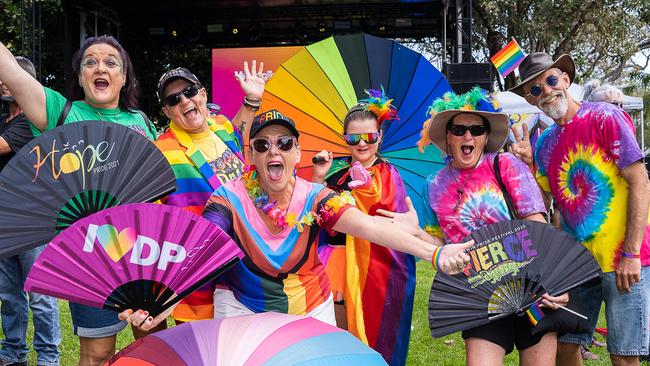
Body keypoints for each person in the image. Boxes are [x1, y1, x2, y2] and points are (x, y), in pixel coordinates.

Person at [121, 109, 472, 332]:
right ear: (250, 156)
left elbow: (369, 227)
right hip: (241, 306)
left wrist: (435, 254)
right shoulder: (228, 197)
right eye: (262, 145)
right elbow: (203, 247)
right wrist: (160, 300)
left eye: (284, 142)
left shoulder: (315, 196)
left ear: (296, 153)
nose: (274, 151)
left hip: (309, 306)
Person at [381, 87, 568, 365]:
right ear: (448, 137)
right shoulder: (434, 186)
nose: (468, 136)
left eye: (476, 129)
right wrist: (417, 233)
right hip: (481, 296)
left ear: (485, 136)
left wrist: (554, 281)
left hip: (531, 289)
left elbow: (537, 227)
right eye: (459, 129)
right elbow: (445, 250)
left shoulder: (505, 165)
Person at [0, 35, 155, 366]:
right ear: (81, 76)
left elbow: (159, 188)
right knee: (97, 355)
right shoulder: (60, 111)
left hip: (143, 251)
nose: (100, 67)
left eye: (111, 62)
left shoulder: (141, 122)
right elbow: (10, 71)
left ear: (124, 76)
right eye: (90, 62)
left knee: (154, 345)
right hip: (90, 256)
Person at [509, 52, 650, 366]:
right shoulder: (544, 143)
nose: (545, 90)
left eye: (550, 80)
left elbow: (640, 180)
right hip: (577, 265)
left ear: (566, 80)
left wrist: (631, 253)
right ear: (531, 101)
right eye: (534, 89)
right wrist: (529, 166)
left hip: (622, 258)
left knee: (624, 355)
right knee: (565, 346)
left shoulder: (604, 117)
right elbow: (545, 204)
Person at [153, 64, 268, 325]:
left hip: (247, 264)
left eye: (189, 91)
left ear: (203, 94)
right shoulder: (160, 152)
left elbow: (239, 134)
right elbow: (150, 219)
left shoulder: (222, 126)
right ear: (166, 111)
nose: (184, 100)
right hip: (203, 276)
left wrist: (252, 100)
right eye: (173, 99)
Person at [311, 90, 414, 365]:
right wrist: (320, 179)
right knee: (336, 337)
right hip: (336, 263)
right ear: (345, 139)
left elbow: (384, 212)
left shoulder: (388, 173)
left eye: (369, 137)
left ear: (379, 136)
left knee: (371, 335)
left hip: (375, 267)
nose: (362, 143)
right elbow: (320, 217)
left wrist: (365, 189)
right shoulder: (338, 174)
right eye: (353, 138)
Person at [0, 57, 60, 366]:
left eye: (9, 77)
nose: (2, 82)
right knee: (8, 293)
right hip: (4, 219)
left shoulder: (33, 123)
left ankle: (48, 356)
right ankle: (13, 351)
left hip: (32, 219)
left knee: (40, 294)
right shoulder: (3, 117)